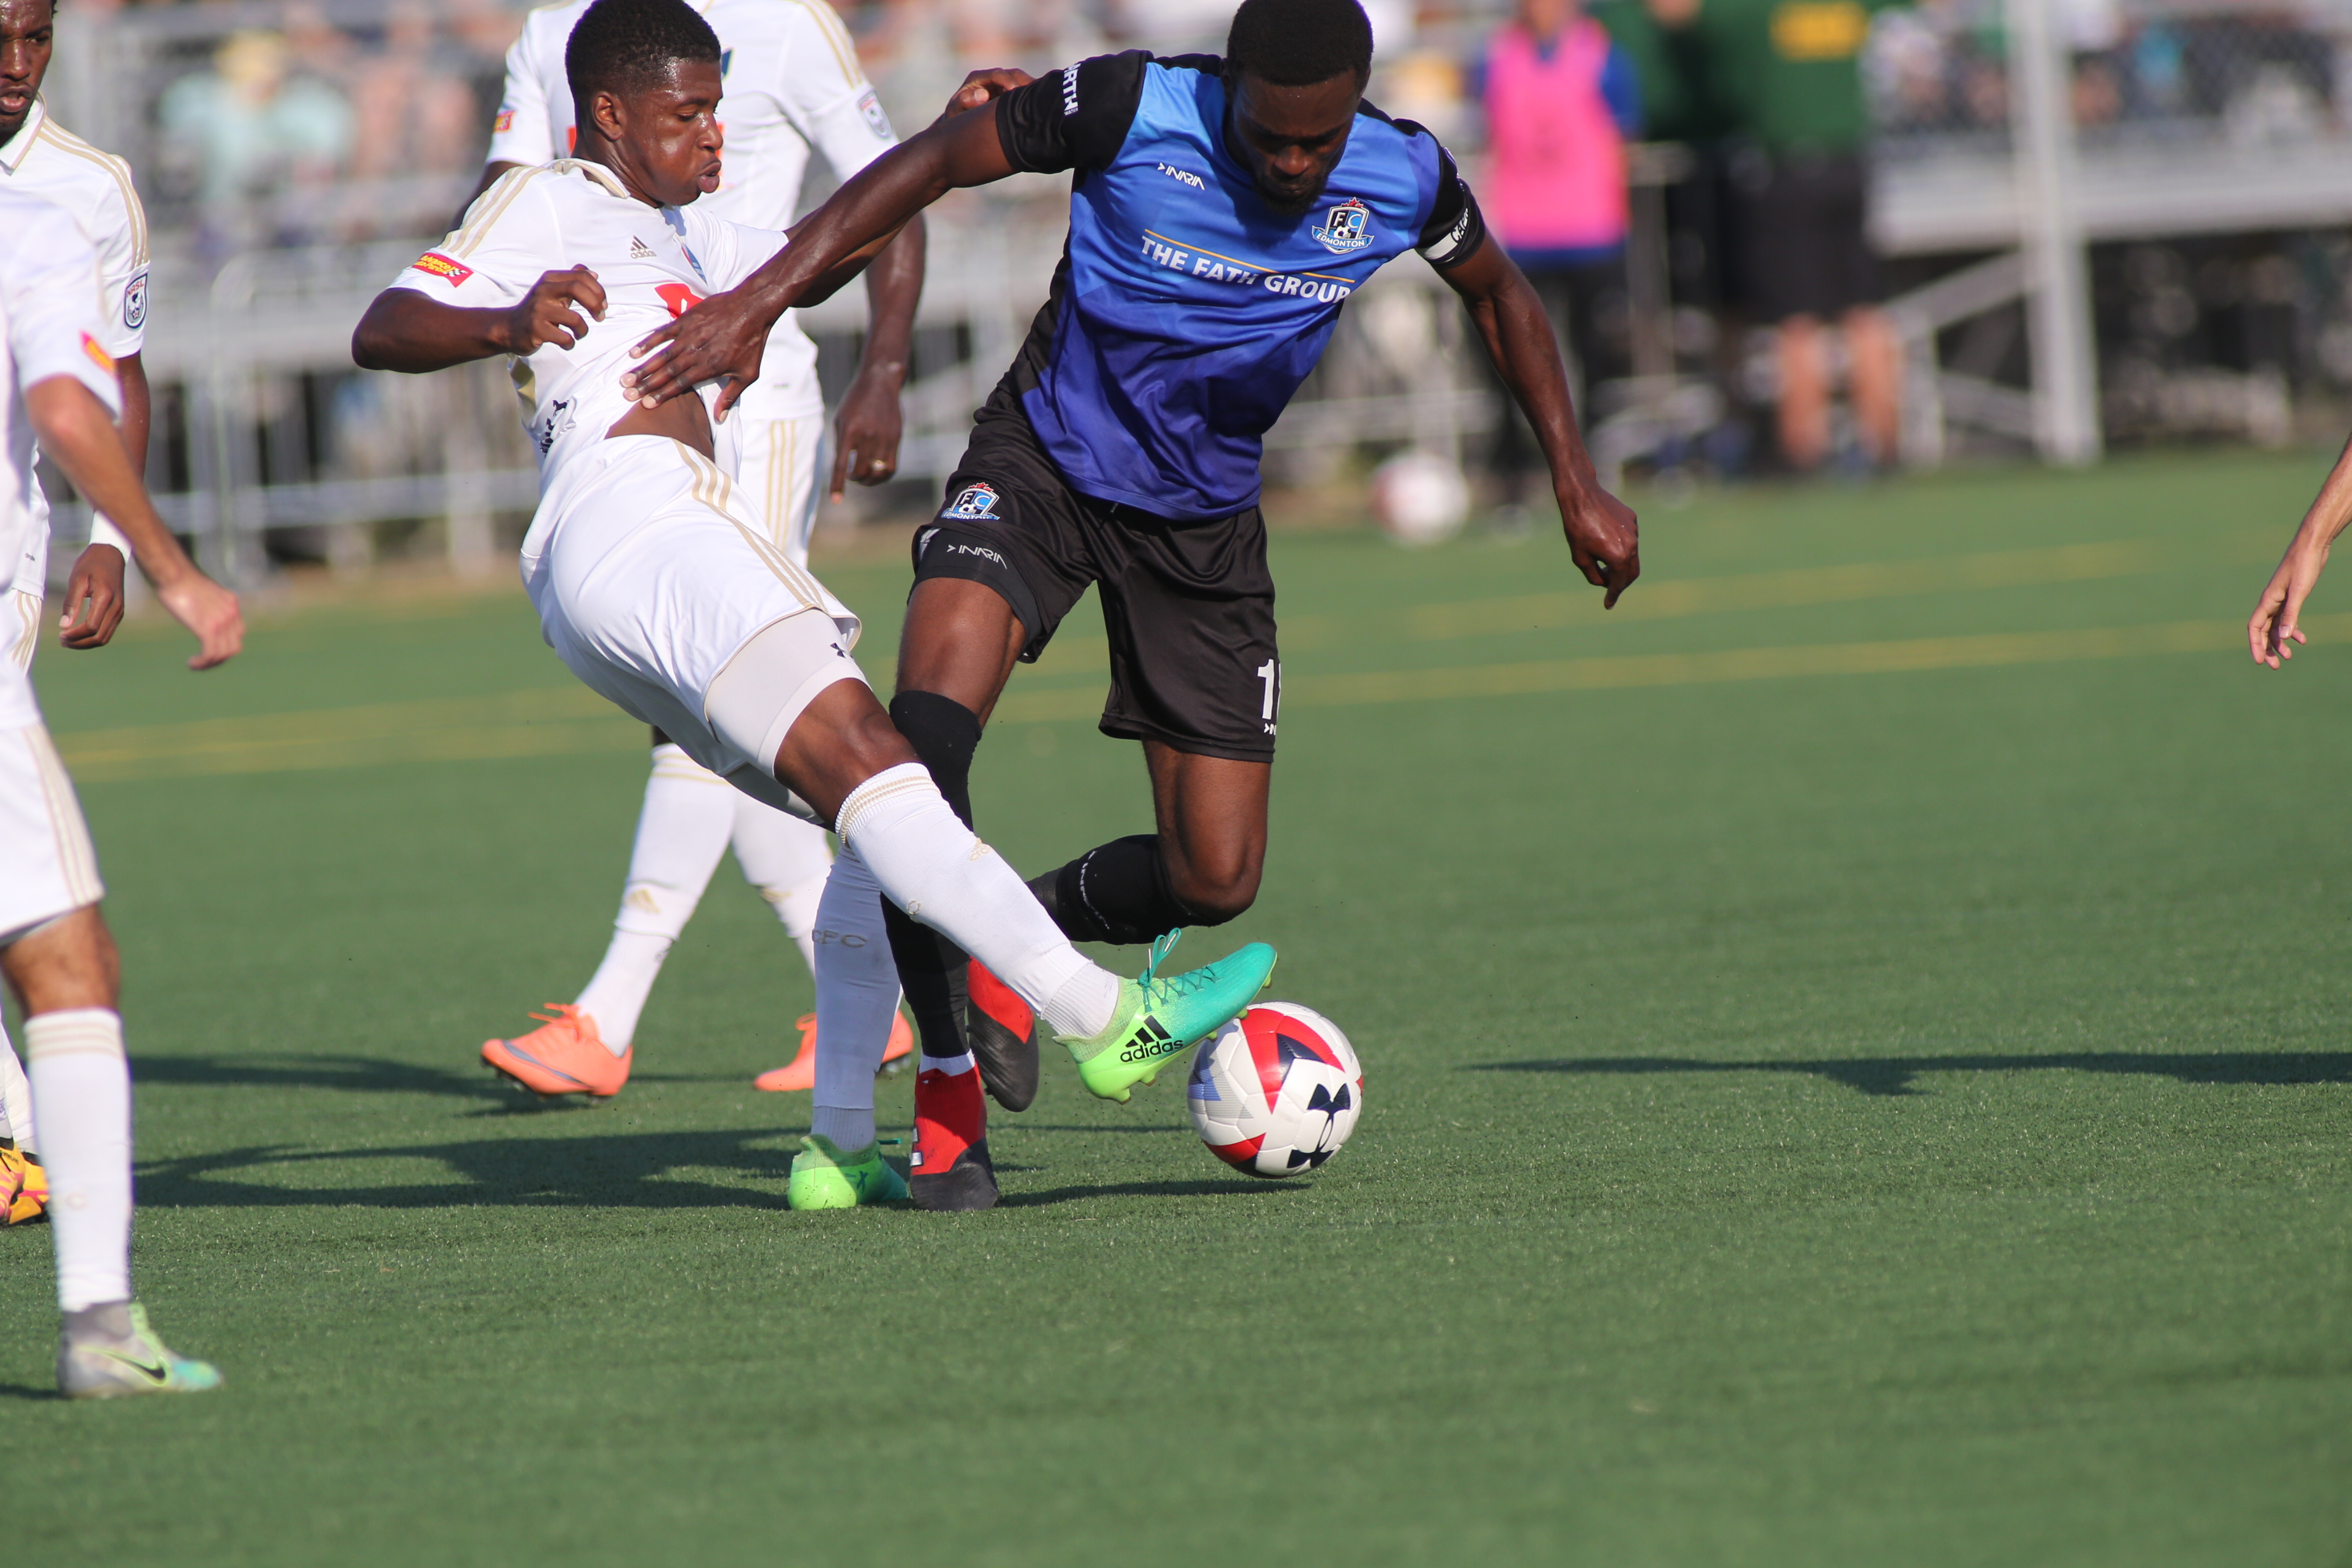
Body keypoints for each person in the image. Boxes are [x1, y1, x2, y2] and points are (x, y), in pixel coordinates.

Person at [622, 0, 1641, 1210]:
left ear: (1356, 109)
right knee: (918, 755)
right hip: (1039, 468)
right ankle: (946, 1095)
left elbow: (1502, 295)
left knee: (1216, 877)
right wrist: (761, 303)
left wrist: (1575, 479)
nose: (1293, 164)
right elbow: (931, 163)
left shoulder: (1405, 172)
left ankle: (1013, 940)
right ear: (1230, 89)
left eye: (1318, 143)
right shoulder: (1131, 104)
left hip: (1202, 527)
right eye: (1269, 136)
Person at [351, 0, 1279, 1210]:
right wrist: (502, 322)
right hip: (647, 516)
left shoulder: (678, 234)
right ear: (610, 114)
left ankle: (838, 1145)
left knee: (868, 816)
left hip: (606, 571)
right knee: (888, 772)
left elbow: (810, 263)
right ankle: (1101, 1014)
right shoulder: (550, 198)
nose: (716, 134)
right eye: (689, 114)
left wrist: (939, 148)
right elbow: (383, 325)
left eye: (718, 109)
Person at [468, 0, 926, 1104]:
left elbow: (887, 191)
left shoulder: (788, 22)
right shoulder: (557, 29)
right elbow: (498, 203)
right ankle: (867, 992)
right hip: (609, 410)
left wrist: (883, 372)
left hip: (748, 399)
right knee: (720, 711)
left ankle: (609, 1015)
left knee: (725, 694)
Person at [0, 185, 246, 1396]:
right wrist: (170, 566)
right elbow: (65, 406)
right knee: (67, 959)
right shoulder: (30, 224)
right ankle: (99, 1323)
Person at [0, 0, 155, 1228]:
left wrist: (115, 537)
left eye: (37, 36)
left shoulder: (85, 189)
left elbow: (117, 378)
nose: (18, 64)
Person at [1645, 0, 1901, 470]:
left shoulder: (1754, 8)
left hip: (1789, 169)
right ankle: (1885, 450)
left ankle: (1803, 455)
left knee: (1798, 322)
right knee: (1864, 313)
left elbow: (1674, 12)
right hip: (1851, 164)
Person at [1476, 0, 1643, 486]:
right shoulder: (1497, 56)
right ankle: (1515, 462)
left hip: (1592, 230)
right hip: (1521, 233)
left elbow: (1626, 135)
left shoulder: (1603, 55)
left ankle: (1591, 460)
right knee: (1510, 352)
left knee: (1596, 352)